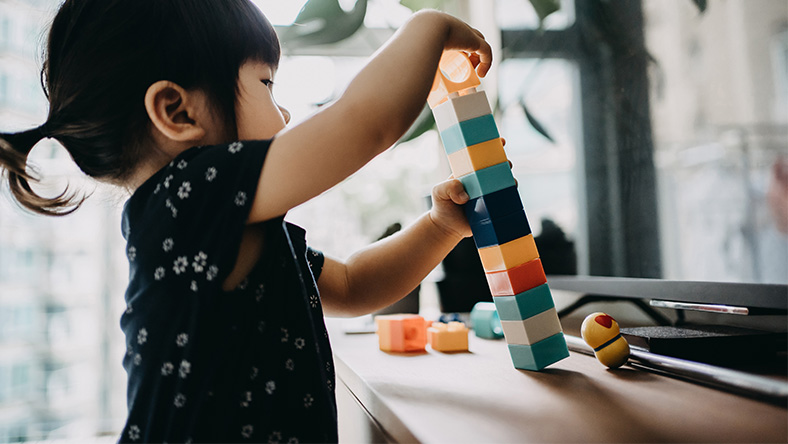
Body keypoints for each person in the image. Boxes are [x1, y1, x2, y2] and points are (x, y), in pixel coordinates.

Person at [0, 1, 492, 442]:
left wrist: (440, 227)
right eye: (266, 84)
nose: (285, 110)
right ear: (177, 111)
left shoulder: (216, 224)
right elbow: (365, 123)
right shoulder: (188, 197)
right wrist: (429, 26)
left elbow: (353, 284)